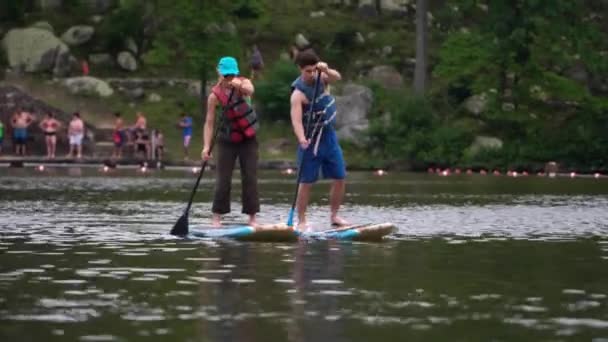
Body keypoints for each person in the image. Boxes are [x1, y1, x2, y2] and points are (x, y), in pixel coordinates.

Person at [289, 50, 348, 230]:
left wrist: (326, 69)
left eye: (314, 70)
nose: (312, 74)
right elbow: (296, 121)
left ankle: (335, 215)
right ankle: (301, 220)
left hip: (328, 137)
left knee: (340, 177)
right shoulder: (297, 94)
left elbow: (337, 77)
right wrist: (301, 139)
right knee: (306, 182)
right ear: (300, 69)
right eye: (308, 71)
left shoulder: (322, 78)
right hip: (310, 140)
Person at [202, 56, 259, 227]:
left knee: (249, 176)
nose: (228, 79)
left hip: (248, 139)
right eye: (225, 75)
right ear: (219, 73)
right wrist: (206, 147)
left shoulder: (243, 84)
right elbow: (209, 122)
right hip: (227, 140)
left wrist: (239, 85)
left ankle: (252, 217)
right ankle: (217, 217)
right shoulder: (214, 96)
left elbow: (250, 90)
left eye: (231, 75)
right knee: (223, 179)